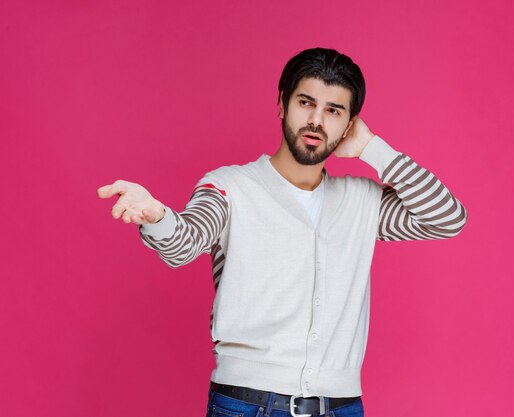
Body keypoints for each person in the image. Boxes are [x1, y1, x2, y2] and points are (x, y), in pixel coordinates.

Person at [97, 47, 467, 417]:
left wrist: (373, 149)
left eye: (333, 111)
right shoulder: (229, 188)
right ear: (282, 104)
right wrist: (157, 216)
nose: (317, 121)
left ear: (349, 123)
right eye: (306, 103)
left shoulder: (362, 203)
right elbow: (185, 242)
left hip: (341, 407)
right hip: (247, 404)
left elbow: (447, 218)